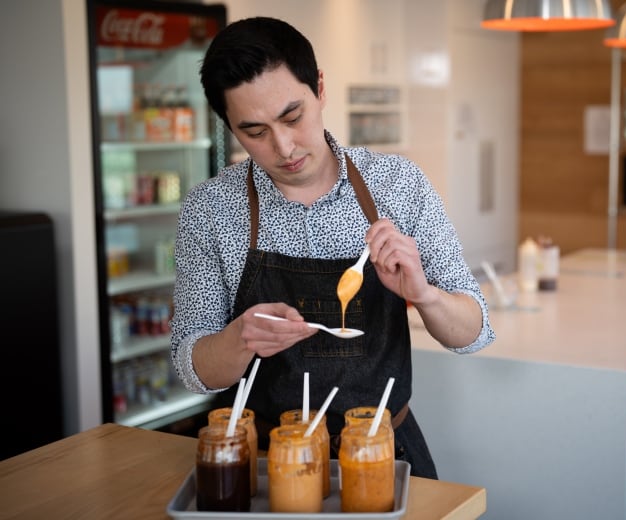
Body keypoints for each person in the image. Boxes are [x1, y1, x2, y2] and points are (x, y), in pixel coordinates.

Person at [170, 16, 495, 479]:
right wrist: (239, 339)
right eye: (254, 131)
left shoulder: (398, 185)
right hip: (262, 464)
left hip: (383, 456)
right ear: (229, 127)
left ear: (319, 88)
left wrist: (424, 294)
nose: (284, 146)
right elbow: (191, 366)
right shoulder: (211, 209)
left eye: (292, 116)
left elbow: (473, 330)